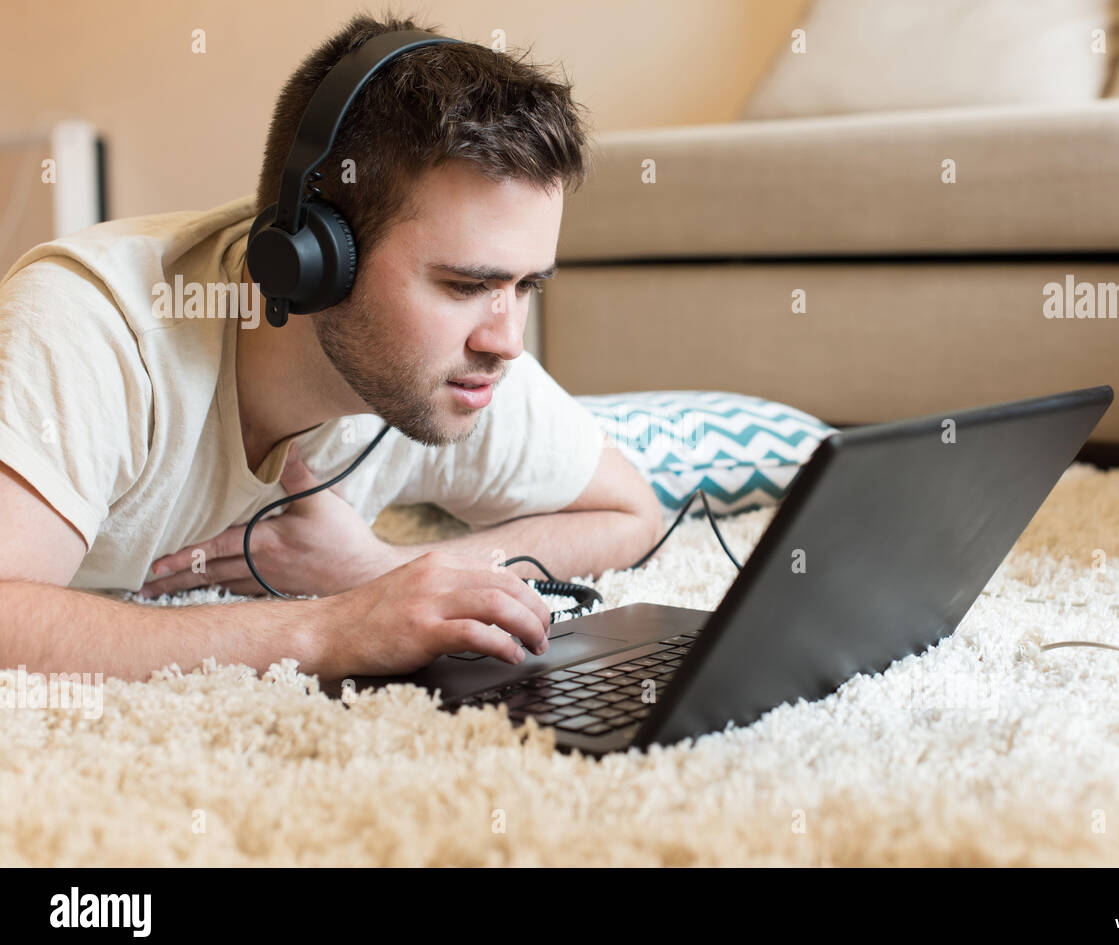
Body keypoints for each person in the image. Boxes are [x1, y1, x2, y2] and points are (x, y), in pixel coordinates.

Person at [0, 15, 663, 682]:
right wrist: (328, 627)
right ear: (311, 262)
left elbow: (631, 510)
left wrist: (379, 571)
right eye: (466, 284)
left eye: (526, 285)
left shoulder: (459, 363)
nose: (507, 340)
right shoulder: (97, 329)